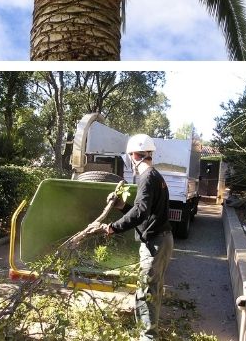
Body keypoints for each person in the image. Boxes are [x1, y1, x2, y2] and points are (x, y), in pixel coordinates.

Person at [104, 134, 173, 341]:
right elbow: (146, 211)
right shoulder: (155, 176)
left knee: (146, 293)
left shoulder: (147, 177)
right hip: (162, 239)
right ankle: (144, 332)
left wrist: (113, 228)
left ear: (134, 155)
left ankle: (147, 337)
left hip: (155, 243)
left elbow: (141, 212)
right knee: (151, 290)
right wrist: (121, 206)